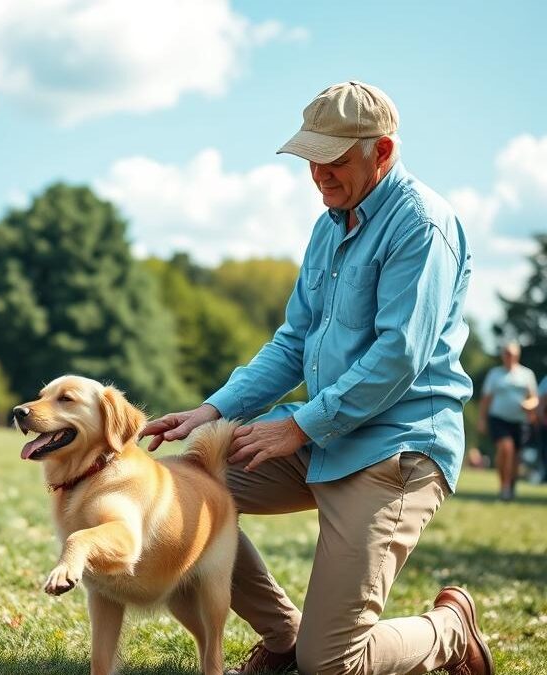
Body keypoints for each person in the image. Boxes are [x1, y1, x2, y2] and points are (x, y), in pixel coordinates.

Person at [141, 82, 493, 674]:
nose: (320, 177)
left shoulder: (423, 226)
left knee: (330, 666)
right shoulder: (330, 224)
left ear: (381, 153)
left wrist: (300, 428)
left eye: (334, 161)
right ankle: (283, 639)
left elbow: (398, 356)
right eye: (312, 160)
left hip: (394, 451)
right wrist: (213, 411)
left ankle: (451, 633)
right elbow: (295, 341)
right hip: (316, 436)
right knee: (162, 504)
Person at [478, 342, 538, 499]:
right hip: (498, 418)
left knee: (516, 456)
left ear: (517, 355)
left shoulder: (526, 374)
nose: (508, 356)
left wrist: (528, 405)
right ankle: (504, 486)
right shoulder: (495, 374)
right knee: (506, 448)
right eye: (505, 353)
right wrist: (482, 419)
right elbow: (486, 399)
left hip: (519, 421)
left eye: (511, 354)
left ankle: (511, 486)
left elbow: (534, 398)